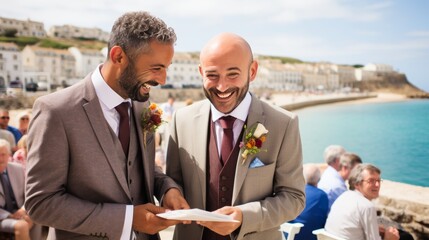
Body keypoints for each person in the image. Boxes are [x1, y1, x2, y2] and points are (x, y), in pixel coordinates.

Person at [25, 11, 189, 240]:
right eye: (156, 68)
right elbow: (41, 203)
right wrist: (128, 219)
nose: (163, 80)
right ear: (118, 56)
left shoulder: (142, 106)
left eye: (166, 68)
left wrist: (167, 189)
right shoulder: (55, 111)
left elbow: (140, 169)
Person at [166, 32, 305, 240]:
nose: (222, 86)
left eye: (233, 74)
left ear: (253, 71)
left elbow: (294, 198)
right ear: (201, 72)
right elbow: (172, 180)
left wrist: (244, 217)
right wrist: (170, 192)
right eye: (212, 75)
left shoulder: (284, 123)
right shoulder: (181, 120)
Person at [325, 163, 400, 240]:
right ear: (357, 184)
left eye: (378, 180)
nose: (377, 185)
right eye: (371, 181)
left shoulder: (343, 197)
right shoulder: (367, 206)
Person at [0, 139, 41, 240]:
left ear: (9, 155)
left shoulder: (17, 169)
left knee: (36, 216)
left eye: (3, 154)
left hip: (18, 211)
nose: (0, 158)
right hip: (2, 215)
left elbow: (28, 193)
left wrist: (23, 209)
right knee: (22, 226)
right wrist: (10, 215)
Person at [286, 164, 329, 240]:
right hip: (311, 236)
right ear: (319, 180)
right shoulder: (322, 195)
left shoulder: (294, 191)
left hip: (290, 235)